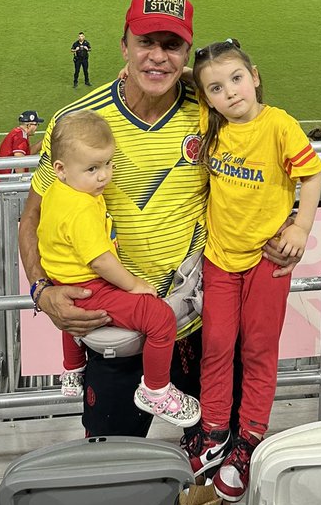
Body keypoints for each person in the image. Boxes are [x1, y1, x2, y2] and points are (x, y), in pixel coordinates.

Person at [22, 0, 275, 441]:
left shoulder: (212, 111)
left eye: (172, 45)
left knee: (212, 459)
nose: (158, 57)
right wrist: (41, 291)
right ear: (124, 46)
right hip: (112, 325)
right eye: (146, 42)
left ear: (186, 54)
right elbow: (32, 217)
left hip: (198, 321)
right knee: (113, 465)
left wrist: (288, 227)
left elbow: (265, 155)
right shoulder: (77, 123)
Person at [189, 39, 321, 500]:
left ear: (256, 76)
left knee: (259, 349)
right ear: (206, 96)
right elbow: (183, 83)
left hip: (267, 260)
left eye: (237, 79)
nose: (229, 93)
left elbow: (311, 176)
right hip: (219, 258)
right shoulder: (212, 124)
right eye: (215, 88)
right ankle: (213, 430)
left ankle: (250, 438)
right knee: (217, 345)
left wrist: (301, 227)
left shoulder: (278, 124)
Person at [37, 110, 200, 424]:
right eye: (93, 168)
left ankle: (72, 369)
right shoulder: (81, 207)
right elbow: (101, 260)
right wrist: (134, 285)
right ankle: (156, 391)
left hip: (63, 278)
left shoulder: (61, 191)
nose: (103, 176)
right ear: (60, 169)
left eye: (109, 164)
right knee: (160, 317)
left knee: (70, 317)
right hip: (90, 284)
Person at [0, 110, 42, 175]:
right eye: (36, 124)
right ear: (28, 125)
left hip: (5, 176)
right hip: (9, 178)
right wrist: (22, 179)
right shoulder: (21, 137)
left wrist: (43, 143)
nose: (37, 127)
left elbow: (27, 153)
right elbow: (19, 161)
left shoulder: (18, 132)